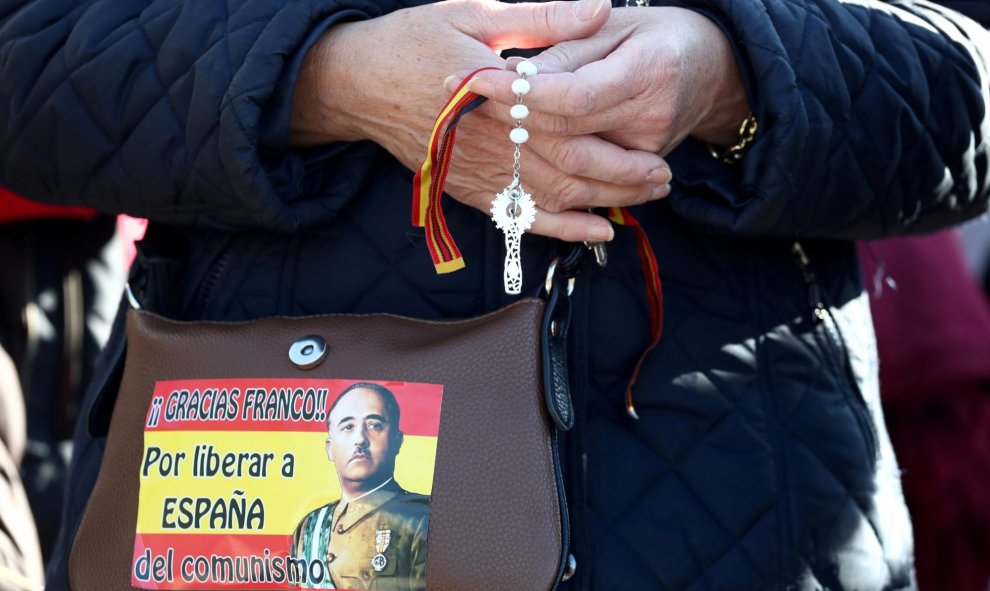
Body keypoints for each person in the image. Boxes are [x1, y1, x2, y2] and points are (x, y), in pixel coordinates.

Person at [0, 0, 988, 589]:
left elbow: (966, 67)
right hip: (267, 446)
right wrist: (320, 81)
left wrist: (733, 82)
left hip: (744, 485)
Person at [289, 383, 429, 591]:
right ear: (330, 448)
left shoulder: (421, 517)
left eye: (374, 425)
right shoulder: (310, 527)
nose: (360, 439)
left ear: (397, 441)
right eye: (347, 427)